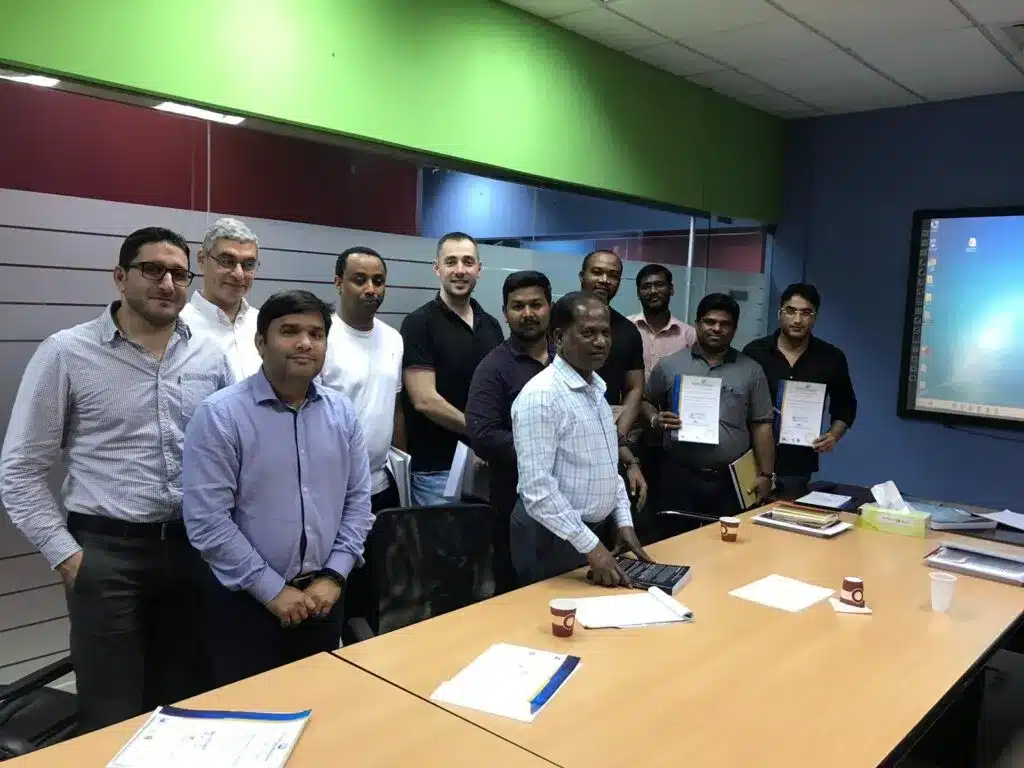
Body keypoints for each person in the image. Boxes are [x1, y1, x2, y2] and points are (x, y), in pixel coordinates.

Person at [0, 227, 233, 732]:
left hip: (193, 551)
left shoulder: (211, 355)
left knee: (187, 702)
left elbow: (231, 450)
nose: (167, 283)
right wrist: (66, 555)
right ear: (121, 276)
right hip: (106, 556)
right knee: (112, 713)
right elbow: (19, 469)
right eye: (153, 270)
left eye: (179, 274)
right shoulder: (67, 353)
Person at [182, 290, 373, 686]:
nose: (305, 343)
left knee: (324, 704)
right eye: (289, 331)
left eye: (316, 334)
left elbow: (357, 503)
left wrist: (334, 576)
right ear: (260, 342)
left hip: (323, 600)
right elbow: (207, 521)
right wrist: (270, 590)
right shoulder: (220, 415)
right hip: (245, 604)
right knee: (250, 712)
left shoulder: (342, 413)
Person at [510, 291, 651, 587]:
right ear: (559, 338)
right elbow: (537, 490)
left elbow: (606, 466)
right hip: (549, 536)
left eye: (605, 333)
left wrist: (623, 520)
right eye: (588, 333)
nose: (601, 342)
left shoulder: (595, 389)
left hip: (585, 535)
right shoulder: (541, 396)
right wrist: (591, 547)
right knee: (550, 614)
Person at [645, 293, 776, 524]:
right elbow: (645, 401)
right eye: (710, 322)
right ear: (697, 324)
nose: (717, 328)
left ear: (734, 329)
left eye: (725, 324)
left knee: (727, 540)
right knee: (676, 538)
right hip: (679, 475)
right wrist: (655, 419)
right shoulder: (670, 365)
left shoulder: (751, 370)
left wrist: (766, 474)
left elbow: (762, 425)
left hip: (730, 480)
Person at [466, 270, 553, 594]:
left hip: (571, 502)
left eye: (536, 304)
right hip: (515, 502)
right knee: (518, 591)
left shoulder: (567, 360)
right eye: (518, 306)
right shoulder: (493, 368)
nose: (528, 313)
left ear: (549, 307)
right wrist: (548, 450)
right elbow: (484, 434)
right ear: (505, 312)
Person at [400, 232, 503, 506]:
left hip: (487, 465)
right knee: (442, 536)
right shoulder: (418, 324)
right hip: (437, 472)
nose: (460, 270)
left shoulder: (491, 325)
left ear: (479, 269)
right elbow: (425, 400)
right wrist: (482, 432)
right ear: (437, 268)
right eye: (451, 262)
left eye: (468, 262)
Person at [742, 283, 857, 497]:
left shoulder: (831, 357)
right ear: (780, 313)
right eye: (791, 311)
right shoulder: (754, 352)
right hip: (751, 457)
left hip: (798, 463)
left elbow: (846, 405)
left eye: (805, 313)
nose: (797, 320)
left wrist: (833, 435)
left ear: (815, 317)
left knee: (788, 515)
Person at [321, 246, 405, 512]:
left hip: (382, 483)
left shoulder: (393, 339)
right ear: (338, 283)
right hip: (332, 488)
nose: (371, 289)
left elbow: (395, 407)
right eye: (359, 280)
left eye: (378, 281)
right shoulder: (321, 338)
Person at [578, 249, 647, 506]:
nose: (604, 280)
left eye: (613, 275)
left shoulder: (628, 331)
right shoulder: (556, 319)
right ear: (582, 276)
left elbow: (635, 388)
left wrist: (616, 436)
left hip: (607, 441)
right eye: (597, 272)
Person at [180, 217, 262, 379]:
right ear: (201, 259)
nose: (239, 274)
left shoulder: (265, 324)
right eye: (227, 261)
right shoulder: (176, 326)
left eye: (249, 264)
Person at [629, 263, 696, 379]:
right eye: (646, 286)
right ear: (638, 293)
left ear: (671, 289)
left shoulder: (689, 335)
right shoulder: (626, 327)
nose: (653, 291)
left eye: (659, 285)